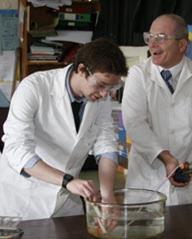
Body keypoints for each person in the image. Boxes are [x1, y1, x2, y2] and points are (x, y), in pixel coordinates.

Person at [0, 38, 128, 220]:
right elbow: (16, 149)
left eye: (112, 87)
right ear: (82, 69)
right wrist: (67, 181)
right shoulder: (34, 87)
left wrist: (107, 195)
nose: (105, 94)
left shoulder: (101, 97)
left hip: (66, 200)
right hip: (23, 198)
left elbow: (105, 144)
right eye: (101, 85)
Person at [122, 14, 192, 205]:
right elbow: (134, 123)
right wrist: (166, 158)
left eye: (161, 38)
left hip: (185, 184)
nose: (152, 44)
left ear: (181, 45)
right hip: (146, 183)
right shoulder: (138, 75)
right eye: (150, 37)